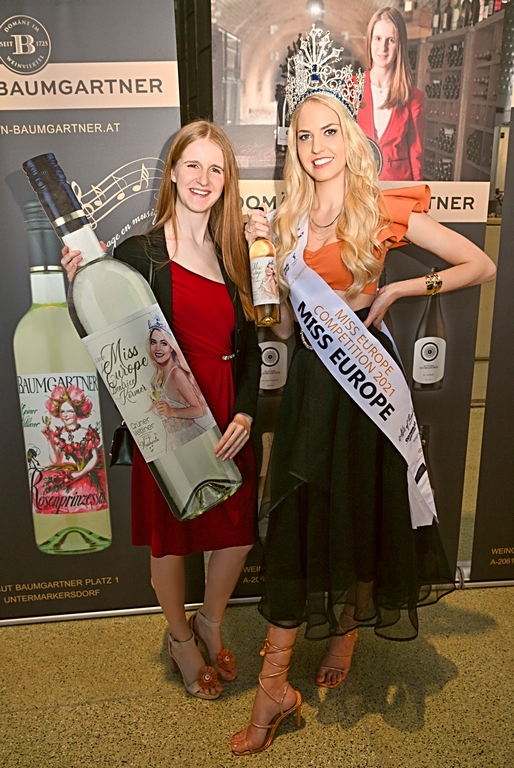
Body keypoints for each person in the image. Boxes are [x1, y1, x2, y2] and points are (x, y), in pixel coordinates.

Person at [231, 26, 495, 755]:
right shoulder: (286, 219)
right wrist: (262, 262)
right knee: (296, 518)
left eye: (328, 132)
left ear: (349, 136)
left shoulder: (380, 207)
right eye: (304, 136)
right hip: (312, 387)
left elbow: (479, 264)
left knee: (356, 509)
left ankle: (343, 632)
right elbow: (285, 328)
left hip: (366, 385)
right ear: (292, 146)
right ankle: (276, 684)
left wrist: (403, 288)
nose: (317, 147)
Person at [62, 121, 261, 701]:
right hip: (165, 414)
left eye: (216, 169)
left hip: (227, 411)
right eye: (192, 165)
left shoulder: (235, 254)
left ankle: (210, 622)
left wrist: (246, 413)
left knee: (238, 533)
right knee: (169, 539)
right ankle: (180, 640)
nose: (203, 178)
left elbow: (253, 347)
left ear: (226, 181)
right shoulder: (138, 253)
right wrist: (80, 288)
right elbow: (109, 339)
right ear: (172, 172)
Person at [357, 6, 425, 181]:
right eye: (378, 38)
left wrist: (417, 191)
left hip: (398, 189)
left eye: (391, 40)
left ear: (400, 45)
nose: (383, 47)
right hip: (358, 187)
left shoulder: (413, 98)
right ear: (370, 41)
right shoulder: (351, 88)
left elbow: (416, 153)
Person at [38, 384, 107, 509]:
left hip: (86, 474)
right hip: (68, 473)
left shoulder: (87, 433)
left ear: (77, 412)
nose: (65, 415)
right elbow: (56, 461)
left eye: (70, 411)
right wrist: (49, 440)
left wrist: (79, 474)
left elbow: (94, 458)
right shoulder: (59, 434)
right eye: (62, 411)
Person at [147, 324, 207, 451]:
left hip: (189, 439)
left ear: (171, 347)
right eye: (153, 342)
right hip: (173, 441)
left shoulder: (176, 374)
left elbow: (199, 410)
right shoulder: (159, 377)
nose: (157, 348)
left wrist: (172, 412)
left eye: (164, 343)